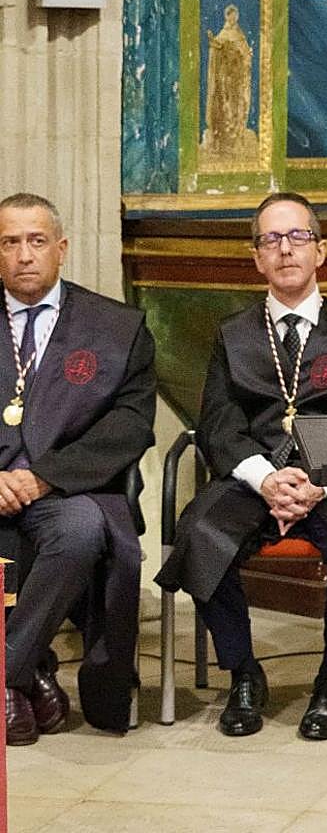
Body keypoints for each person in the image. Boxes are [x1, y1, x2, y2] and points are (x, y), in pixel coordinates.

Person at [156, 192, 327, 741]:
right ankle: (242, 673)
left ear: (320, 252)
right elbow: (217, 423)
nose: (285, 249)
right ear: (257, 257)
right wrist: (265, 479)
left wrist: (318, 482)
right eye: (271, 240)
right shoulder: (234, 334)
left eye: (297, 237)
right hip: (254, 478)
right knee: (200, 531)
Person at [0, 193, 157, 744]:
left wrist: (45, 476)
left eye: (36, 241)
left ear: (61, 249)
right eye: (10, 242)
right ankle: (26, 678)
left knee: (84, 530)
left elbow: (131, 425)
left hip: (65, 490)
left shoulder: (114, 327)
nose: (24, 254)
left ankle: (8, 674)